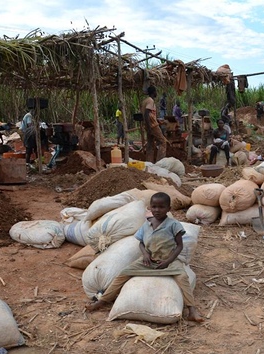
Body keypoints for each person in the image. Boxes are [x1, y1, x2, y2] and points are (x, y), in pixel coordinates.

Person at [85, 192, 204, 322]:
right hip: (147, 261)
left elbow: (179, 246)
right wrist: (145, 254)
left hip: (168, 261)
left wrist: (168, 261)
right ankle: (103, 301)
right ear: (150, 208)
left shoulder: (174, 225)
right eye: (154, 207)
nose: (157, 210)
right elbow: (141, 243)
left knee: (182, 278)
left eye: (161, 207)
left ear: (168, 209)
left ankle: (192, 310)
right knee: (123, 274)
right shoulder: (146, 224)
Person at [142, 86, 168, 162]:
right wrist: (150, 126)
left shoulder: (145, 101)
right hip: (153, 126)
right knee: (163, 142)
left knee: (150, 144)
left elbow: (149, 114)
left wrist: (157, 121)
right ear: (153, 92)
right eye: (156, 91)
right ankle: (160, 162)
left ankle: (149, 162)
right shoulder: (150, 101)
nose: (156, 93)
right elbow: (147, 113)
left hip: (149, 125)